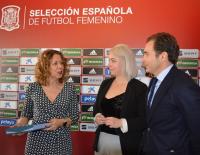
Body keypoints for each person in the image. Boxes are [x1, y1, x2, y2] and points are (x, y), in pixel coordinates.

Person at [141, 32, 200, 155]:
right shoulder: (154, 81)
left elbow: (197, 129)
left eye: (146, 54)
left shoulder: (183, 85)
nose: (142, 60)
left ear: (163, 56)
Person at [15, 49, 79, 155]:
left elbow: (75, 117)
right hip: (36, 144)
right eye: (55, 63)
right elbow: (26, 114)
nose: (60, 67)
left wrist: (60, 122)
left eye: (61, 63)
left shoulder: (70, 88)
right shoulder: (33, 87)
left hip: (61, 144)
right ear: (45, 66)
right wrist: (21, 125)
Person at [93, 44, 147, 155]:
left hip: (126, 145)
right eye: (109, 60)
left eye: (113, 61)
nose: (109, 65)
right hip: (102, 141)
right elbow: (97, 108)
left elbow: (144, 120)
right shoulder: (105, 83)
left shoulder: (139, 88)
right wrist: (97, 117)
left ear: (125, 62)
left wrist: (121, 123)